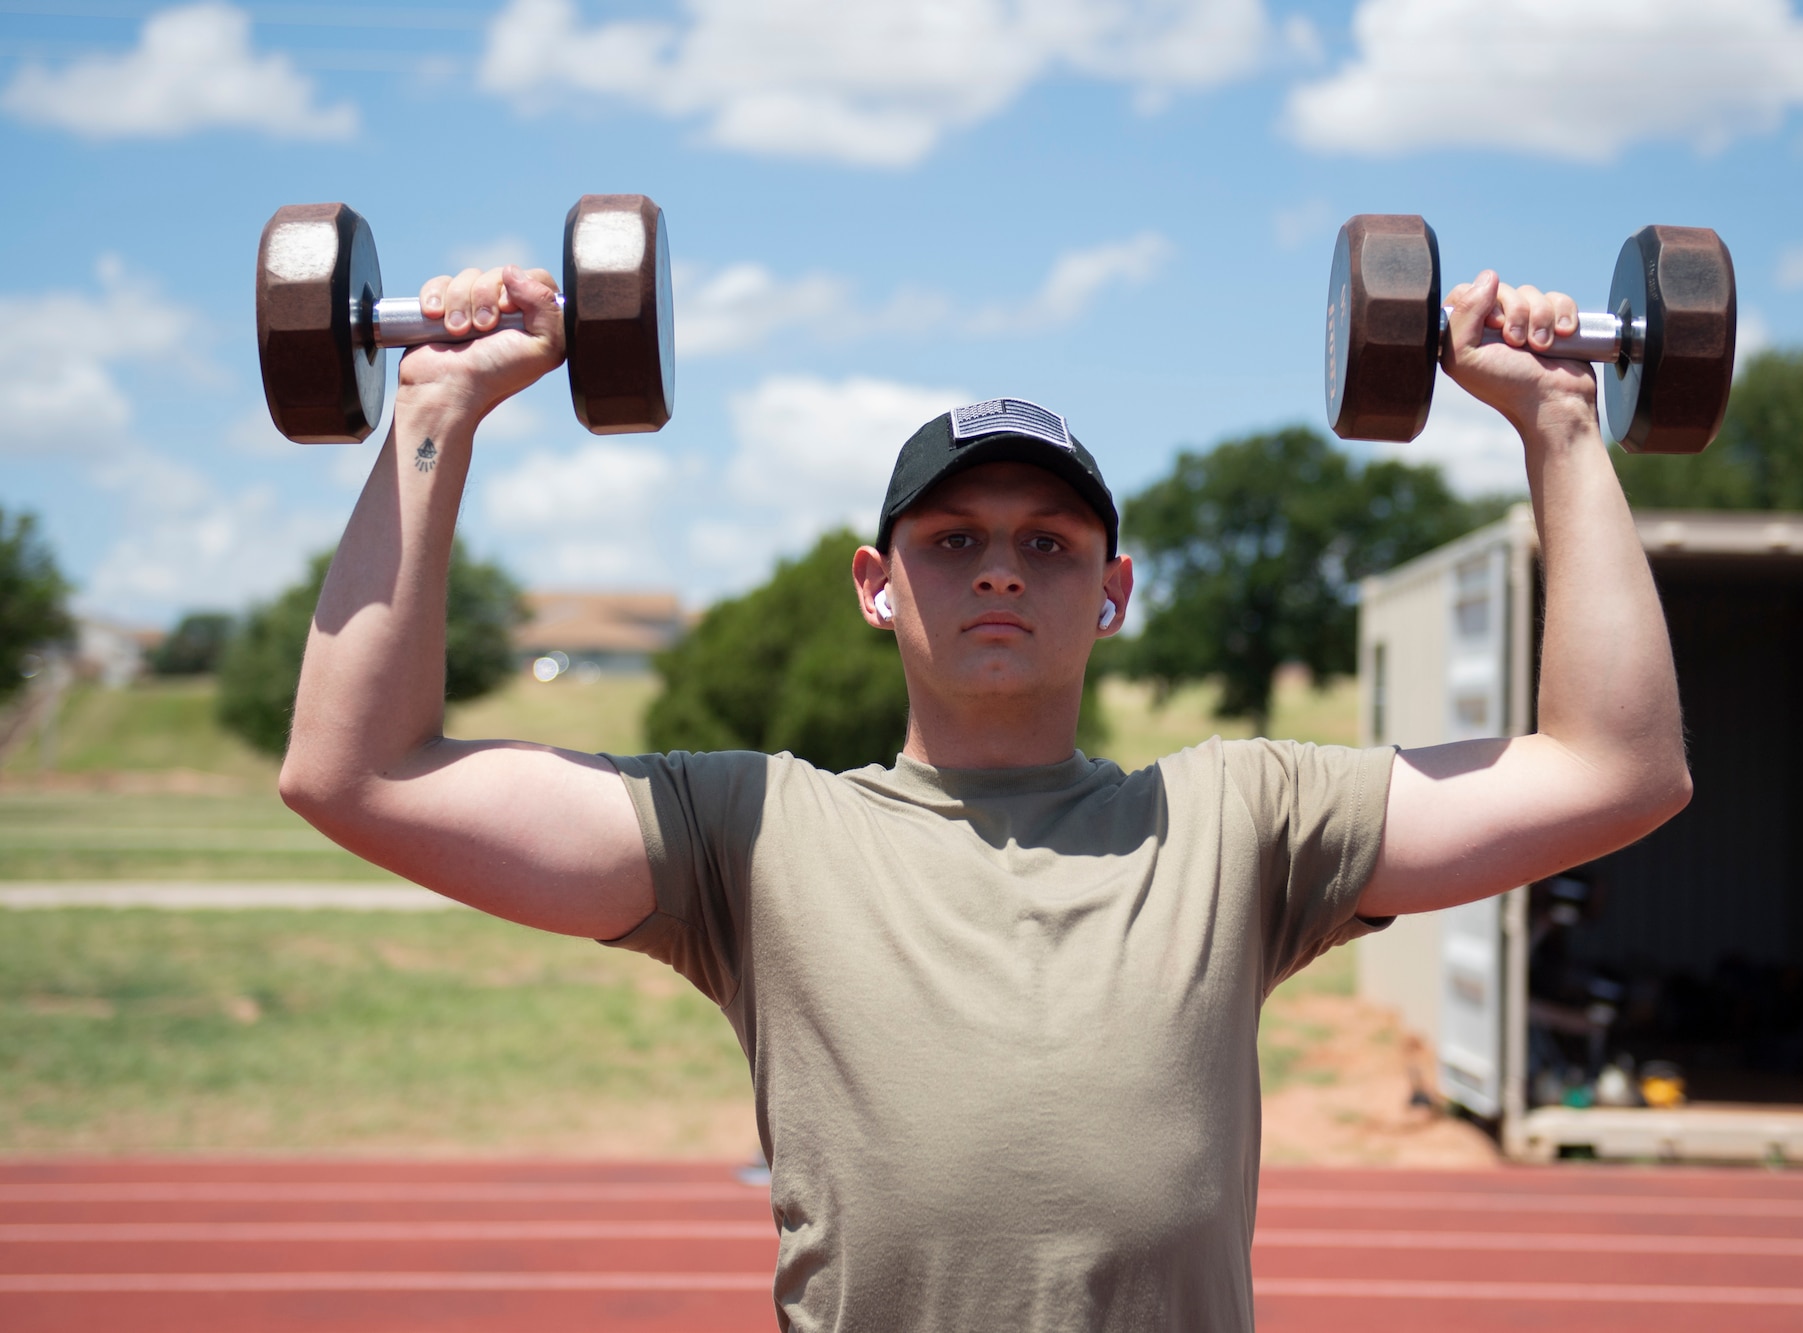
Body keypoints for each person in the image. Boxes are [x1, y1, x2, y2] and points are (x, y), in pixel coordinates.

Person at [281, 259, 1690, 1332]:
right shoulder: (751, 832)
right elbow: (359, 775)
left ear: (1116, 592)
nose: (1002, 568)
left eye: (1051, 539)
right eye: (953, 539)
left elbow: (1615, 770)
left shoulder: (1243, 819)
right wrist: (434, 408)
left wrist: (1563, 425)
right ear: (877, 585)